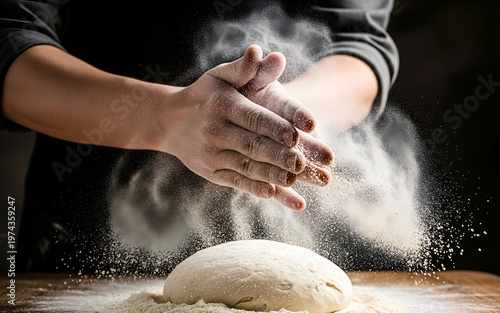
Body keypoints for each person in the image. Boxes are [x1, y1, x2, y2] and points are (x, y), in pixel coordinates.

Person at [0, 0, 399, 272]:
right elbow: (9, 36)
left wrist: (272, 114)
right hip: (83, 245)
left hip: (300, 251)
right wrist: (163, 117)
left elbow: (358, 43)